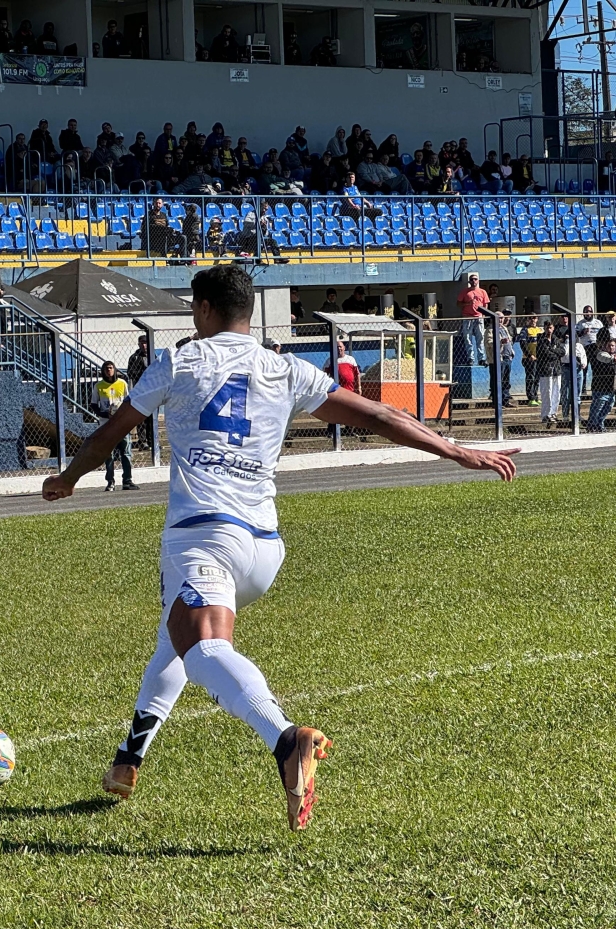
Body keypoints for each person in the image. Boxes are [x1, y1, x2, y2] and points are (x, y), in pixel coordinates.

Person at [41, 266, 517, 831]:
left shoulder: (179, 361)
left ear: (203, 310)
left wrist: (68, 477)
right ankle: (128, 760)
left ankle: (285, 738)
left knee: (203, 649)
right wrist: (454, 449)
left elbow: (111, 432)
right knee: (178, 633)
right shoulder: (284, 367)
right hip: (263, 549)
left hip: (204, 532)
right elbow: (379, 415)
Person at [91, 361, 137, 492]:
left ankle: (127, 480)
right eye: (106, 368)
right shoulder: (98, 386)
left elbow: (129, 400)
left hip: (122, 424)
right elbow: (94, 404)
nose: (108, 371)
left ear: (115, 370)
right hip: (106, 425)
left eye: (111, 368)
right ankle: (110, 482)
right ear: (102, 371)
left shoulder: (122, 383)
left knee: (126, 453)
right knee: (108, 454)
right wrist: (102, 413)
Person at [127, 335, 154, 450]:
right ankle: (143, 442)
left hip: (152, 391)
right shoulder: (135, 357)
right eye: (141, 343)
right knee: (141, 418)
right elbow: (130, 373)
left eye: (145, 343)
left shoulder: (153, 356)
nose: (144, 345)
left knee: (152, 418)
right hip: (140, 391)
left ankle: (152, 441)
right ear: (138, 344)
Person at [456, 273, 488, 366]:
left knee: (480, 338)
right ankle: (471, 358)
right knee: (467, 338)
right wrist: (467, 304)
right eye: (472, 279)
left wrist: (484, 315)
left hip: (479, 317)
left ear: (478, 281)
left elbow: (485, 304)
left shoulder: (483, 292)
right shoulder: (464, 292)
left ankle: (481, 358)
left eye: (475, 279)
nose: (474, 281)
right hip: (467, 317)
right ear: (469, 281)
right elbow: (458, 304)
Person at [587, 336, 616, 431]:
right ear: (605, 346)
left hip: (611, 387)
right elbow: (607, 359)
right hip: (600, 386)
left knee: (609, 406)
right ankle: (592, 425)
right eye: (609, 345)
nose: (611, 347)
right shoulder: (600, 354)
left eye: (613, 346)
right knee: (598, 406)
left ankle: (599, 423)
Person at [536, 321, 562, 424]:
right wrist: (555, 353)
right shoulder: (541, 339)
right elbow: (545, 353)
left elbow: (562, 351)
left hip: (556, 369)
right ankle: (545, 415)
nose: (549, 330)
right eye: (547, 328)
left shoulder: (555, 339)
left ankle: (553, 413)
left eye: (550, 328)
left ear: (553, 328)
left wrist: (553, 351)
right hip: (545, 370)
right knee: (547, 392)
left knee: (556, 392)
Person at [517, 313, 542, 406]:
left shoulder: (539, 330)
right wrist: (529, 355)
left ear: (537, 319)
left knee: (537, 378)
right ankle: (530, 398)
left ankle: (535, 396)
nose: (533, 320)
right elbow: (522, 344)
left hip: (538, 358)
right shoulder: (525, 330)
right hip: (529, 359)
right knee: (530, 378)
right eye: (531, 318)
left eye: (534, 318)